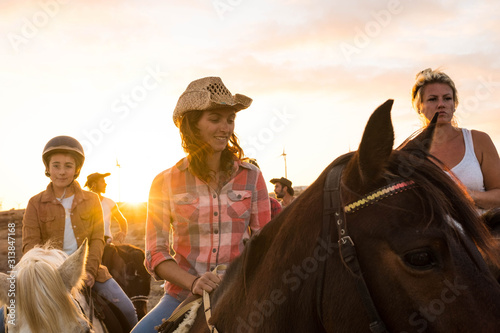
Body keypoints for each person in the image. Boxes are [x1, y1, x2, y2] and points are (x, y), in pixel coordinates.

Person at [131, 77, 271, 332]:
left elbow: (266, 243)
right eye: (215, 118)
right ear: (192, 124)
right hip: (180, 296)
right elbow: (155, 252)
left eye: (230, 119)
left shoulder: (252, 177)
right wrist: (194, 282)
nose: (225, 128)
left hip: (241, 293)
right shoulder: (164, 182)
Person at [20, 136, 138, 329]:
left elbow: (97, 238)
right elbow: (30, 244)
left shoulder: (92, 200)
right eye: (56, 166)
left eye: (68, 166)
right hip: (48, 277)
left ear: (77, 169)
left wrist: (90, 271)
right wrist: (45, 276)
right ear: (47, 168)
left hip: (87, 272)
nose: (61, 172)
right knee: (4, 317)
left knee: (128, 310)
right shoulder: (35, 203)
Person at [411, 68, 500, 210]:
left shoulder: (478, 141)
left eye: (447, 98)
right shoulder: (409, 155)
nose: (441, 104)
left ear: (454, 105)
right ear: (419, 107)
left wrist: (469, 196)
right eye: (432, 99)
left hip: (482, 230)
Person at [85, 172, 128, 244]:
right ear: (94, 184)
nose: (105, 184)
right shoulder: (83, 202)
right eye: (102, 182)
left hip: (106, 243)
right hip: (89, 243)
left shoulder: (109, 202)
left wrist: (123, 232)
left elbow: (122, 220)